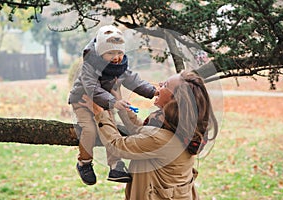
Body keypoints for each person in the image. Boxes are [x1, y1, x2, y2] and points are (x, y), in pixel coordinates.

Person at [79, 70, 218, 199]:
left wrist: (100, 113)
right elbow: (142, 132)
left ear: (175, 99)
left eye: (165, 85)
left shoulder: (162, 139)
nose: (159, 86)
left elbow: (117, 146)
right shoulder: (180, 127)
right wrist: (119, 101)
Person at [68, 25, 157, 185]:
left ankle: (115, 166)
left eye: (119, 52)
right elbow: (92, 88)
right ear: (101, 52)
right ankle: (84, 163)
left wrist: (153, 91)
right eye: (110, 53)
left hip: (107, 101)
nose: (116, 57)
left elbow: (133, 80)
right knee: (89, 129)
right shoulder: (90, 65)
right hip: (83, 101)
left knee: (110, 128)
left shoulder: (120, 66)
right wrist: (114, 102)